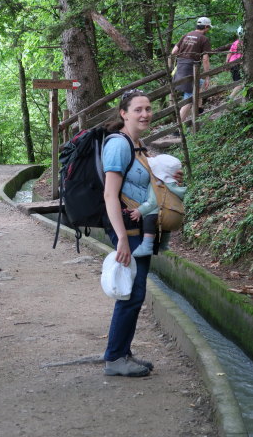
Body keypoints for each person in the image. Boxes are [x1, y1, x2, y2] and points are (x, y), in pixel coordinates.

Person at [101, 89, 176, 377]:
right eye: (138, 110)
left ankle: (122, 352)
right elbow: (110, 194)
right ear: (123, 113)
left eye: (148, 108)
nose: (145, 114)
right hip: (127, 227)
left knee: (135, 290)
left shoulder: (137, 144)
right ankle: (115, 358)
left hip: (137, 226)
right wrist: (120, 237)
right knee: (131, 293)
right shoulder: (119, 145)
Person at [130, 154, 186, 258]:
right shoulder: (173, 184)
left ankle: (147, 245)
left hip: (160, 214)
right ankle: (164, 244)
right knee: (165, 223)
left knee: (149, 219)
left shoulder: (157, 184)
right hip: (176, 215)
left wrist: (139, 211)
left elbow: (152, 202)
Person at [171, 16, 213, 125]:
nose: (209, 30)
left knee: (201, 84)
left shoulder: (186, 35)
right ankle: (177, 127)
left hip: (181, 67)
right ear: (206, 26)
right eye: (209, 28)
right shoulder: (204, 39)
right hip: (191, 69)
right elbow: (205, 58)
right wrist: (207, 76)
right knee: (188, 98)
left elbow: (174, 51)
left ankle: (198, 109)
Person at [226, 26, 244, 100]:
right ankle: (230, 97)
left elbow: (229, 53)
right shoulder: (246, 43)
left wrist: (227, 63)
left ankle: (236, 97)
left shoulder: (235, 42)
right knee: (239, 82)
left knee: (237, 81)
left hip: (232, 63)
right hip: (239, 64)